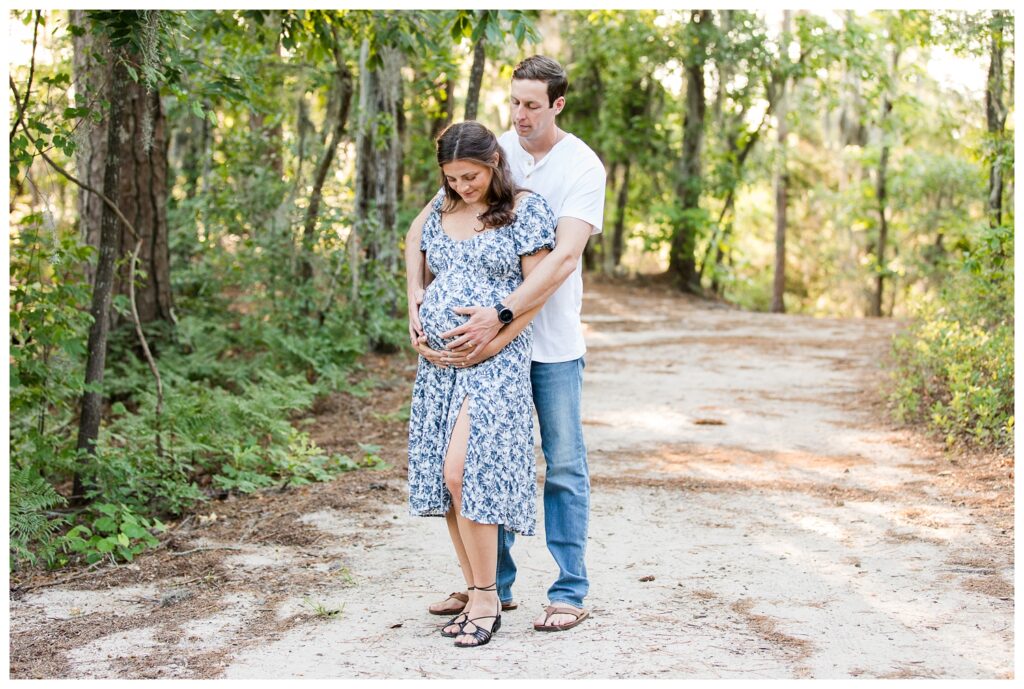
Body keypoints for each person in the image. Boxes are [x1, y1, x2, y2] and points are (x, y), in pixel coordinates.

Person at [406, 56, 606, 633]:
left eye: (531, 105)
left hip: (547, 342)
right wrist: (417, 298)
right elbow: (424, 229)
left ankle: (568, 589)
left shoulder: (580, 166)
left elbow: (563, 258)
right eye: (514, 103)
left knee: (561, 464)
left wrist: (497, 322)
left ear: (556, 105)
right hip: (467, 353)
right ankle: (493, 588)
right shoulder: (491, 150)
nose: (519, 115)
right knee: (483, 464)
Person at [406, 120, 556, 648]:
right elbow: (414, 244)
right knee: (447, 486)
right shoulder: (443, 206)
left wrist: (493, 340)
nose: (462, 187)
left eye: (469, 176)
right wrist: (414, 305)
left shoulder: (524, 209)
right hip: (439, 365)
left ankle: (491, 596)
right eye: (451, 178)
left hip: (494, 362)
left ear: (494, 160)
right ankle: (474, 590)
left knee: (463, 472)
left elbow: (536, 290)